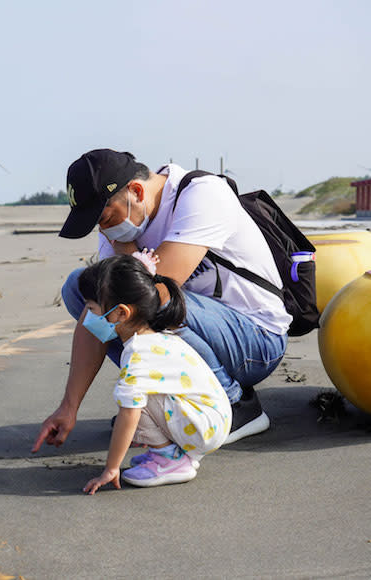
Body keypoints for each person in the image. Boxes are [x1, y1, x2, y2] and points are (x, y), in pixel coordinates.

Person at [32, 148, 289, 456]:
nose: (104, 230)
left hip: (255, 340)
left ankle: (235, 404)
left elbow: (154, 297)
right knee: (81, 287)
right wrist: (68, 407)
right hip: (196, 330)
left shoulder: (201, 194)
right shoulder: (121, 220)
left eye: (104, 218)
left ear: (137, 191)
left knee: (150, 302)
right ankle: (169, 403)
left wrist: (124, 246)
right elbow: (101, 316)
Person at [74, 254, 231, 494]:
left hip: (204, 427)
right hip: (211, 419)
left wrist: (111, 468)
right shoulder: (157, 337)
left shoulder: (139, 352)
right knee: (134, 395)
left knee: (130, 400)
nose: (88, 317)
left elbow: (129, 413)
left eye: (91, 309)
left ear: (121, 313)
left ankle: (169, 459)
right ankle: (171, 452)